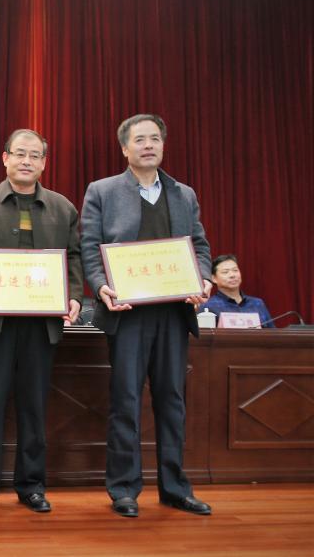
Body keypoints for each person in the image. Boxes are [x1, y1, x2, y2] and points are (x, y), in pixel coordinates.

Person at [81, 114, 212, 517]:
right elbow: (90, 247)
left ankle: (175, 487)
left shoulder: (183, 194)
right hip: (128, 314)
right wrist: (100, 286)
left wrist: (204, 279)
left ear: (163, 145)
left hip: (174, 313)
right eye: (140, 139)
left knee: (172, 401)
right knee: (126, 401)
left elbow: (200, 246)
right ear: (125, 148)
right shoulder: (102, 191)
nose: (149, 145)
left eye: (155, 138)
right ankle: (123, 489)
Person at [0, 129, 83, 514]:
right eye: (20, 154)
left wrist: (75, 296)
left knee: (34, 406)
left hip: (41, 324)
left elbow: (74, 258)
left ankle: (32, 485)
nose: (27, 161)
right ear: (5, 158)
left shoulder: (63, 208)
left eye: (35, 155)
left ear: (44, 162)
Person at [205, 254, 274, 327]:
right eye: (225, 272)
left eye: (235, 270)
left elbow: (272, 332)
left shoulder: (257, 303)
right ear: (214, 278)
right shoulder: (208, 306)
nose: (232, 275)